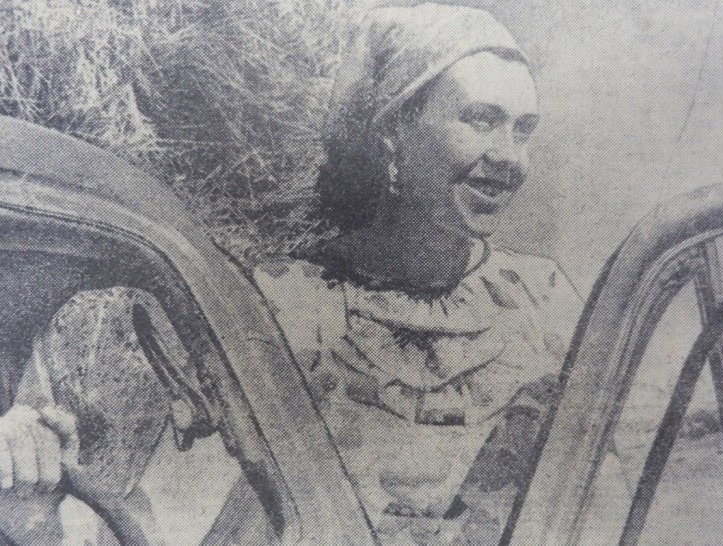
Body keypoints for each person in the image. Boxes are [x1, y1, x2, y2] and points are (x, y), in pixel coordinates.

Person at [0, 4, 584, 544]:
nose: (509, 157)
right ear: (394, 129)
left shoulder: (545, 304)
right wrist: (33, 506)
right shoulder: (274, 308)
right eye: (481, 120)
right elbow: (172, 520)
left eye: (523, 129)